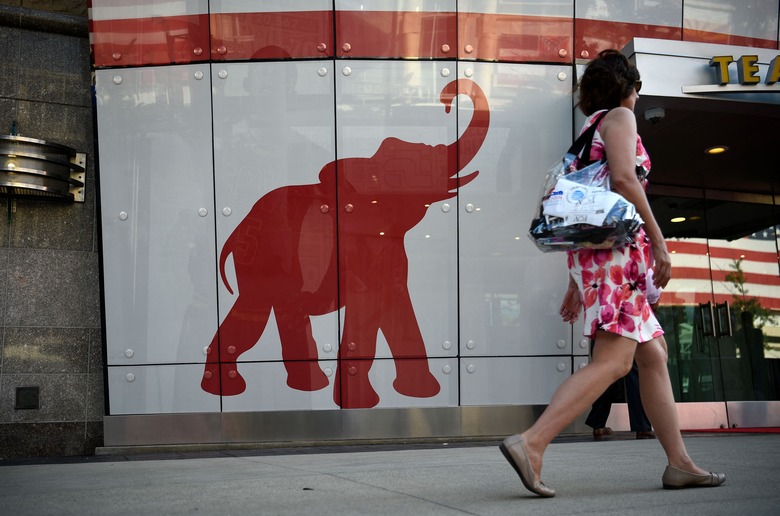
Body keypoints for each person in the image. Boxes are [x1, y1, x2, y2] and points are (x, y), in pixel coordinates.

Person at [500, 50, 725, 497]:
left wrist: (575, 283)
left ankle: (679, 463)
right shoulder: (620, 118)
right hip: (619, 261)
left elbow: (588, 211)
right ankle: (532, 442)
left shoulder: (586, 134)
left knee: (653, 355)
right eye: (637, 91)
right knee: (615, 361)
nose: (637, 99)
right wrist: (659, 241)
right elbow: (623, 181)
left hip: (600, 261)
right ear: (628, 88)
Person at [587, 267, 663, 441]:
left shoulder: (603, 268)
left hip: (604, 323)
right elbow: (654, 299)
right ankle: (642, 427)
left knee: (604, 372)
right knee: (635, 374)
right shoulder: (641, 266)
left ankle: (598, 424)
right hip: (631, 322)